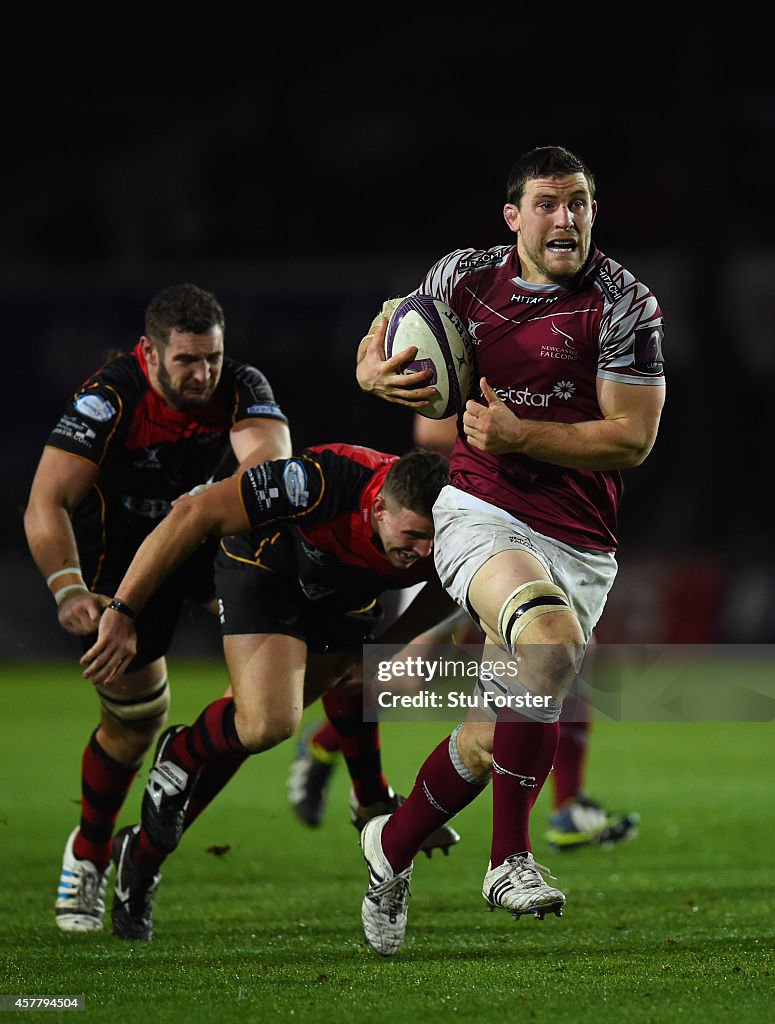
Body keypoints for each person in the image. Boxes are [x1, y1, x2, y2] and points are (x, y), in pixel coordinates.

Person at [354, 144, 666, 955]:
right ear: (512, 216)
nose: (565, 219)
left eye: (579, 203)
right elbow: (388, 323)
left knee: (494, 735)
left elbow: (631, 440)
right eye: (548, 203)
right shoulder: (463, 277)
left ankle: (388, 849)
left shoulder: (626, 305)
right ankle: (509, 859)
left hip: (580, 538)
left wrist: (523, 430)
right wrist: (369, 373)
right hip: (480, 509)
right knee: (550, 644)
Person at [80, 443, 458, 940]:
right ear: (379, 508)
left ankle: (143, 856)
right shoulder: (319, 482)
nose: (424, 552)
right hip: (267, 571)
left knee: (315, 693)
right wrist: (124, 611)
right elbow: (194, 511)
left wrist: (386, 649)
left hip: (342, 591)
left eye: (432, 539)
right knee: (266, 723)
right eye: (414, 536)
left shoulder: (452, 519)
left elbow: (449, 582)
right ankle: (182, 751)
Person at [23, 284, 292, 934]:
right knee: (134, 723)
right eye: (186, 362)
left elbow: (269, 470)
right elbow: (45, 503)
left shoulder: (240, 384)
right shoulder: (110, 398)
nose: (202, 374)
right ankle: (89, 852)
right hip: (119, 568)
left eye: (212, 359)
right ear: (149, 355)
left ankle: (354, 791)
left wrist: (214, 508)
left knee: (287, 683)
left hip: (203, 549)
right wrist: (68, 588)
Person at [289, 414, 639, 851]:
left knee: (565, 651)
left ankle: (566, 806)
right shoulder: (481, 352)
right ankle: (325, 743)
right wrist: (525, 435)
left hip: (523, 530)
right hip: (458, 526)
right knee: (406, 674)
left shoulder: (558, 366)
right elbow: (430, 431)